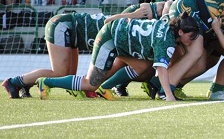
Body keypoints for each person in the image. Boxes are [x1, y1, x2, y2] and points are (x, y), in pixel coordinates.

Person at [36, 13, 200, 102]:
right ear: (180, 32)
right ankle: (47, 82)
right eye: (191, 37)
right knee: (89, 84)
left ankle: (105, 87)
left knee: (143, 67)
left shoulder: (168, 24)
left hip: (120, 37)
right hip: (110, 39)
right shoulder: (167, 41)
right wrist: (169, 96)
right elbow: (162, 69)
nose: (191, 41)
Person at [2, 12, 108, 99]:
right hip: (61, 25)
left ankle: (25, 83)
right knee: (60, 73)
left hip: (71, 30)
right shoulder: (117, 30)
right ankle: (13, 82)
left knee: (70, 76)